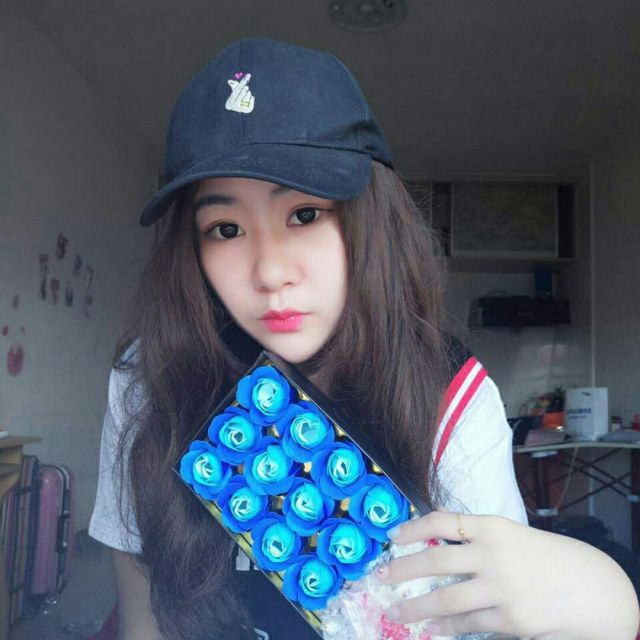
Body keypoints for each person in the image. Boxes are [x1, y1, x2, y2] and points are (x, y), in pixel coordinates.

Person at [88, 38, 639, 640]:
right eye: (225, 228)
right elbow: (143, 619)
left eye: (304, 215)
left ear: (369, 218)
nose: (270, 272)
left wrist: (605, 596)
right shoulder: (151, 378)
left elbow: (495, 622)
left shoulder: (449, 397)